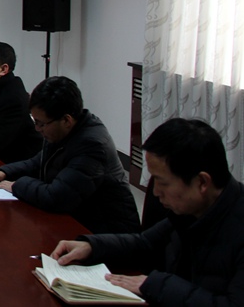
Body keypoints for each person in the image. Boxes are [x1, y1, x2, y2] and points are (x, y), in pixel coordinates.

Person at [51, 118, 244, 305]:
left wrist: (156, 285)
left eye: (162, 182)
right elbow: (145, 243)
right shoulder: (190, 210)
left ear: (202, 182)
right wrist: (92, 247)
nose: (155, 192)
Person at [0, 76, 140, 234]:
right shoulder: (62, 130)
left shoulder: (92, 145)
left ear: (66, 120)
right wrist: (4, 172)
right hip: (79, 219)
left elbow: (56, 198)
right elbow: (38, 162)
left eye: (41, 123)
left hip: (106, 235)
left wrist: (16, 185)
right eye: (35, 121)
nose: (37, 129)